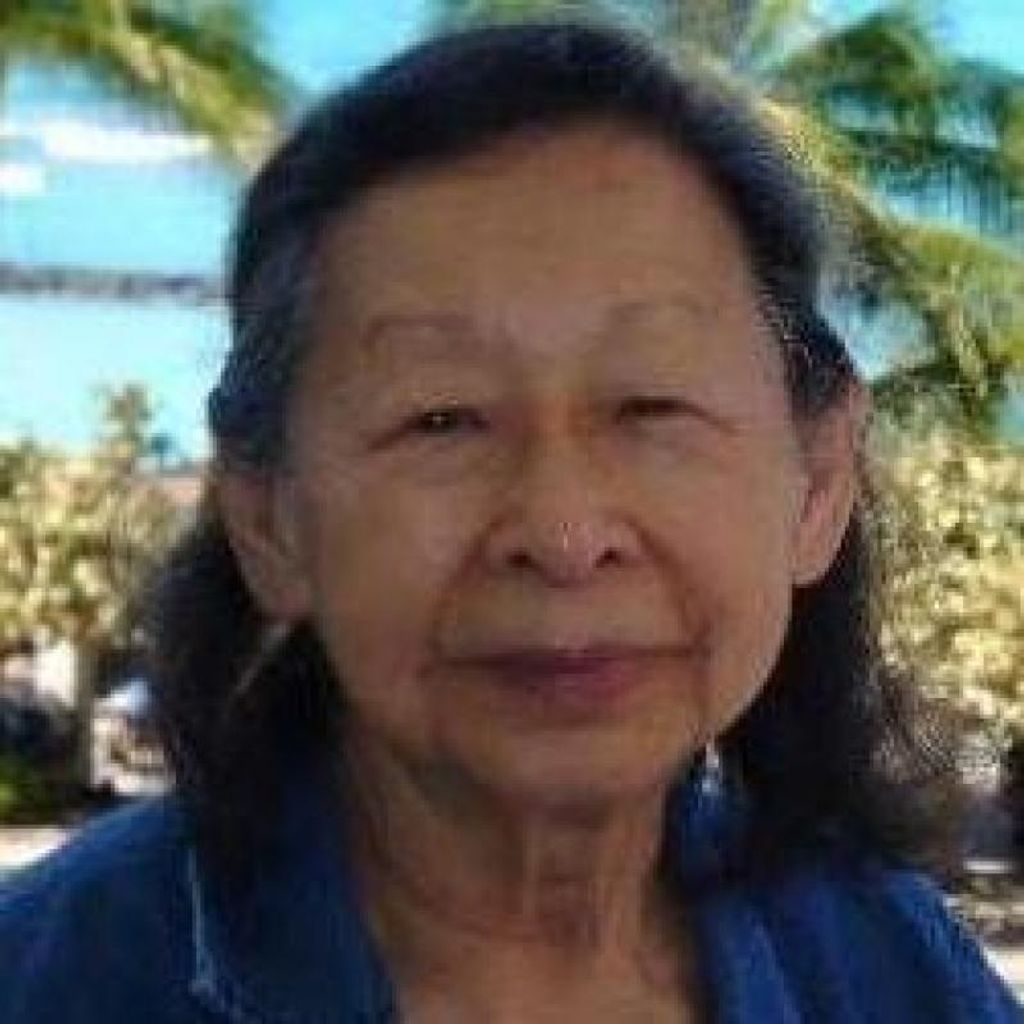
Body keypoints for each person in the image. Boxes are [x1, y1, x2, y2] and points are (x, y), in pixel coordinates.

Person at [2, 19, 1020, 1023]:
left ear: (817, 481)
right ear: (268, 518)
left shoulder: (893, 971)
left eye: (651, 407)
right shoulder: (52, 981)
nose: (565, 534)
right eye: (442, 419)